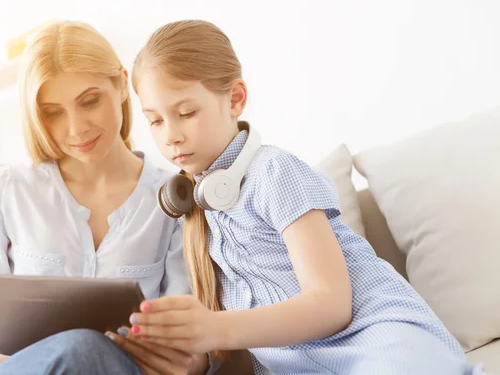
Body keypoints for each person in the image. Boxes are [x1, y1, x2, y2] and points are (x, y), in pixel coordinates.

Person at [118, 19, 488, 375]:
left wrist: (216, 327)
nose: (171, 135)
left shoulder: (275, 172)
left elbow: (331, 304)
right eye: (155, 120)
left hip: (380, 341)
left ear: (235, 99)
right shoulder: (195, 209)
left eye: (186, 112)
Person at [0, 21, 210, 375]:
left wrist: (195, 360)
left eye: (90, 101)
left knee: (85, 350)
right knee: (78, 348)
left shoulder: (174, 198)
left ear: (122, 84)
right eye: (52, 113)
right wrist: (52, 344)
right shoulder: (4, 192)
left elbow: (193, 337)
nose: (76, 128)